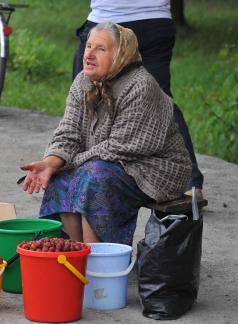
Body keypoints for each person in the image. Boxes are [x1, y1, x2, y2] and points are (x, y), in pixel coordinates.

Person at [20, 23, 191, 245]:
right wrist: (51, 162)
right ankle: (74, 255)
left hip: (154, 169)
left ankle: (98, 260)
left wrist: (73, 162)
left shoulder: (140, 85)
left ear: (121, 54)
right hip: (108, 163)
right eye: (88, 46)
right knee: (61, 177)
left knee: (94, 176)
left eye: (100, 49)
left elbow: (123, 146)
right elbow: (68, 131)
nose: (88, 54)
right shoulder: (84, 81)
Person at [72, 0, 204, 198]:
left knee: (88, 99)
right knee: (161, 101)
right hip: (154, 20)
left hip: (108, 19)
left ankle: (81, 171)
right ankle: (190, 182)